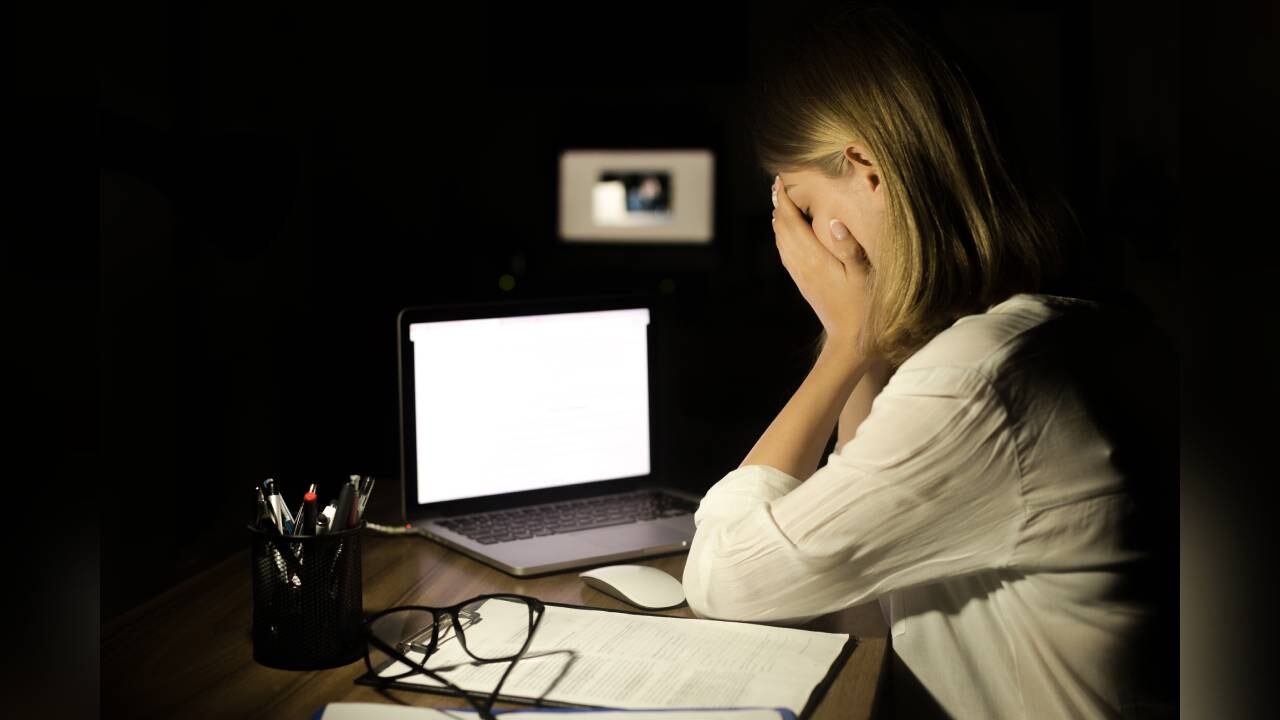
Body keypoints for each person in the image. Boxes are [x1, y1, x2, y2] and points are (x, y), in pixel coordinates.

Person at [681, 7, 1175, 719]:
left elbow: (725, 578)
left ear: (867, 171)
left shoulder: (980, 384)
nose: (808, 246)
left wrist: (847, 343)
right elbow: (856, 527)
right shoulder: (1073, 326)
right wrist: (857, 335)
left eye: (810, 211)